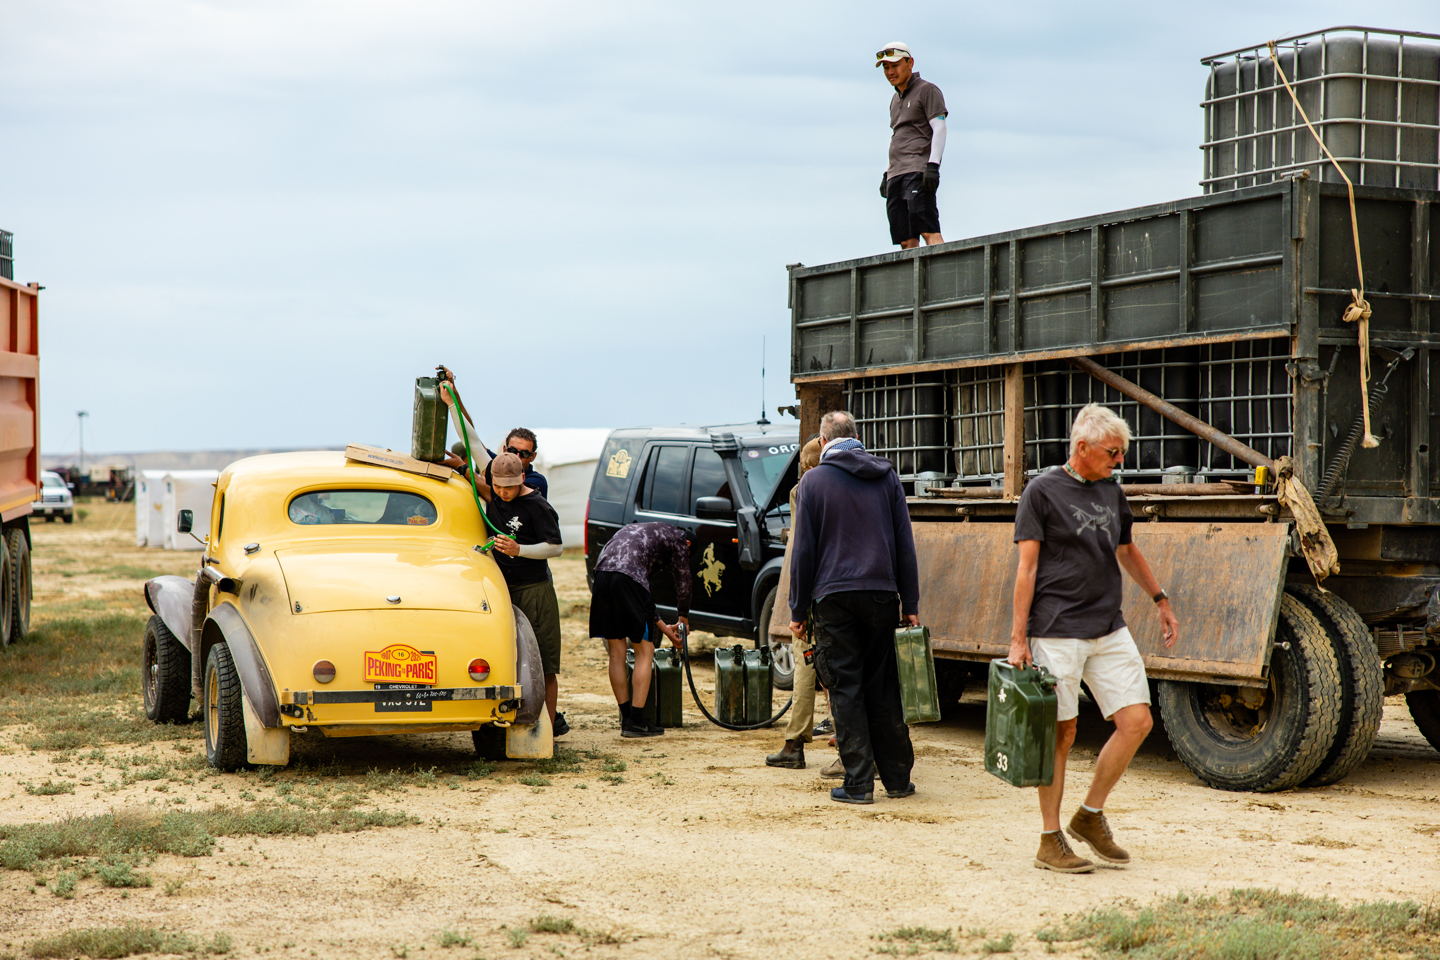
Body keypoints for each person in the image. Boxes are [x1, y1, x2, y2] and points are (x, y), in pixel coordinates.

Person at [1008, 403, 1180, 873]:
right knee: (1061, 734)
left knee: (1137, 721)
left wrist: (1160, 599)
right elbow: (1026, 569)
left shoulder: (1111, 490)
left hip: (1108, 626)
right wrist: (1019, 639)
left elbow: (1127, 549)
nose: (1120, 460)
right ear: (1082, 447)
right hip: (1056, 630)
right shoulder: (1041, 492)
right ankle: (1050, 839)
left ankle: (1089, 815)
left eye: (1122, 452)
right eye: (1113, 452)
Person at [788, 411, 920, 804]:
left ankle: (858, 784)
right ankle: (897, 780)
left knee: (846, 687)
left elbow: (803, 552)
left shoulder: (813, 482)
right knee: (883, 687)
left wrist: (797, 610)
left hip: (833, 598)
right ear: (856, 437)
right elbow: (904, 543)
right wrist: (910, 602)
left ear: (823, 441)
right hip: (881, 594)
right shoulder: (887, 477)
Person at [439, 376, 569, 737]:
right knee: (507, 658)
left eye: (509, 488)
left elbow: (556, 547)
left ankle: (546, 731)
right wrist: (451, 402)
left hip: (534, 588)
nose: (502, 493)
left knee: (545, 664)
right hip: (502, 587)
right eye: (496, 487)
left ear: (522, 477)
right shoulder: (495, 479)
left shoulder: (536, 502)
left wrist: (519, 549)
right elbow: (472, 441)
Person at [766, 436, 833, 771]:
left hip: (816, 596)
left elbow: (800, 553)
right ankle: (847, 739)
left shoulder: (802, 492)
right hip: (848, 591)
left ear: (807, 467)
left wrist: (798, 607)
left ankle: (794, 745)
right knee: (840, 667)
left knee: (806, 667)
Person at [590, 522, 691, 738]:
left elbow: (645, 601)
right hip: (628, 577)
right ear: (689, 543)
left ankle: (627, 718)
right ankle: (636, 720)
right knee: (645, 651)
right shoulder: (680, 539)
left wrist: (665, 629)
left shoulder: (643, 531)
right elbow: (683, 580)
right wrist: (683, 617)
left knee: (616, 652)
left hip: (601, 576)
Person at [876, 42, 948, 250]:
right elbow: (899, 136)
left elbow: (940, 128)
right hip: (896, 174)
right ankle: (914, 273)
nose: (890, 72)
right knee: (906, 240)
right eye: (886, 67)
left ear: (910, 63)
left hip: (917, 170)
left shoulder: (927, 90)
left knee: (928, 230)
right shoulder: (894, 99)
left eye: (895, 66)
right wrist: (887, 173)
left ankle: (944, 268)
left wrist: (933, 166)